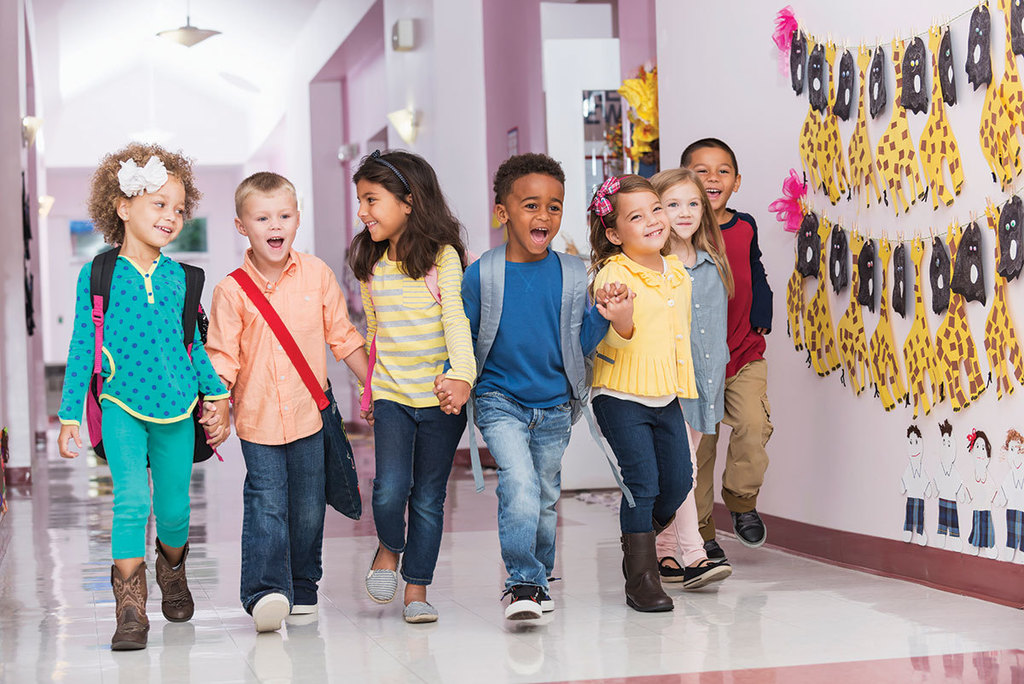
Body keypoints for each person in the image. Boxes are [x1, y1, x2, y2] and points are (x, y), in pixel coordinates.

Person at [433, 153, 631, 620]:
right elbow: (463, 335)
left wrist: (602, 318)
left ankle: (538, 578)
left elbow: (576, 343)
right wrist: (456, 377)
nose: (543, 216)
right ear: (502, 212)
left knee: (542, 494)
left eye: (554, 206)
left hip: (556, 407)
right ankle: (522, 581)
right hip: (500, 400)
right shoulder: (483, 273)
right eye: (530, 205)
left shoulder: (575, 273)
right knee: (519, 483)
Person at [57, 143, 231, 650]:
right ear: (123, 205)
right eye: (159, 204)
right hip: (120, 405)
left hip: (177, 407)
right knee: (132, 503)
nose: (171, 216)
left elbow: (192, 345)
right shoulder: (99, 274)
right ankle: (130, 609)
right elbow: (81, 345)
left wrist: (215, 395)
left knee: (174, 510)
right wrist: (70, 414)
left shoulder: (181, 277)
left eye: (179, 209)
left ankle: (172, 572)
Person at [205, 172, 369, 632]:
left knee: (308, 506)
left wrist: (372, 386)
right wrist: (217, 405)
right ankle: (264, 592)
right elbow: (221, 356)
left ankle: (303, 586)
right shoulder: (231, 290)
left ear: (297, 220)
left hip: (309, 414)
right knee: (266, 503)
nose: (274, 225)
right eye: (262, 217)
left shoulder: (316, 274)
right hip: (257, 420)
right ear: (242, 226)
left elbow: (344, 335)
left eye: (283, 215)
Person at [348, 150, 475, 624]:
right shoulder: (369, 257)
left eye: (371, 199)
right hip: (393, 395)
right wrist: (369, 393)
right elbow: (374, 332)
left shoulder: (442, 256)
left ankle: (417, 589)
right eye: (360, 200)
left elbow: (455, 319)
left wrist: (463, 377)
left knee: (427, 497)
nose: (363, 211)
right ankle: (388, 547)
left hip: (442, 400)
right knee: (388, 490)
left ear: (409, 201)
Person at [587, 174, 697, 612]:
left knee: (678, 481)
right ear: (614, 233)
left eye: (657, 209)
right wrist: (624, 318)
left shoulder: (676, 270)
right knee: (642, 485)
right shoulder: (614, 275)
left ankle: (638, 538)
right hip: (619, 395)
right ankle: (643, 578)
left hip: (664, 394)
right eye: (637, 216)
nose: (654, 220)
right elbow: (612, 337)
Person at [682, 138, 774, 558]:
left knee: (753, 426)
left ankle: (740, 502)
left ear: (736, 181)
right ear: (685, 179)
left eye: (722, 171)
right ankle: (702, 534)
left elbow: (754, 268)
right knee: (701, 447)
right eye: (701, 170)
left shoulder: (746, 225)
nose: (712, 178)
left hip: (743, 352)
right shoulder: (677, 231)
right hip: (697, 361)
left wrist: (763, 312)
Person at [649, 167, 734, 589]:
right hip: (668, 385)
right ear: (655, 210)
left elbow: (715, 331)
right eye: (673, 204)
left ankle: (663, 551)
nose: (684, 213)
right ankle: (696, 555)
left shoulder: (713, 264)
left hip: (705, 384)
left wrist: (716, 379)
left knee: (681, 472)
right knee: (684, 471)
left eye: (693, 203)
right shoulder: (655, 267)